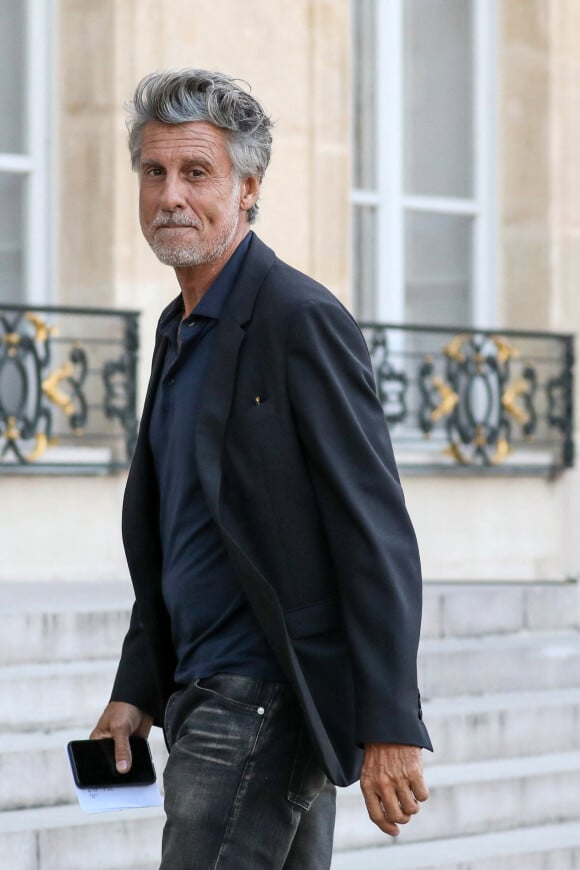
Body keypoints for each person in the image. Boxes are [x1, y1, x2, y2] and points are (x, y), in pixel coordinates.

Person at [91, 68, 432, 870]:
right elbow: (183, 534)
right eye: (154, 171)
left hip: (263, 698)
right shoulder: (179, 329)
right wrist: (137, 686)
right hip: (203, 693)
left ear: (248, 190)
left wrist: (391, 722)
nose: (171, 194)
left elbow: (373, 528)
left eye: (196, 172)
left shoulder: (299, 319)